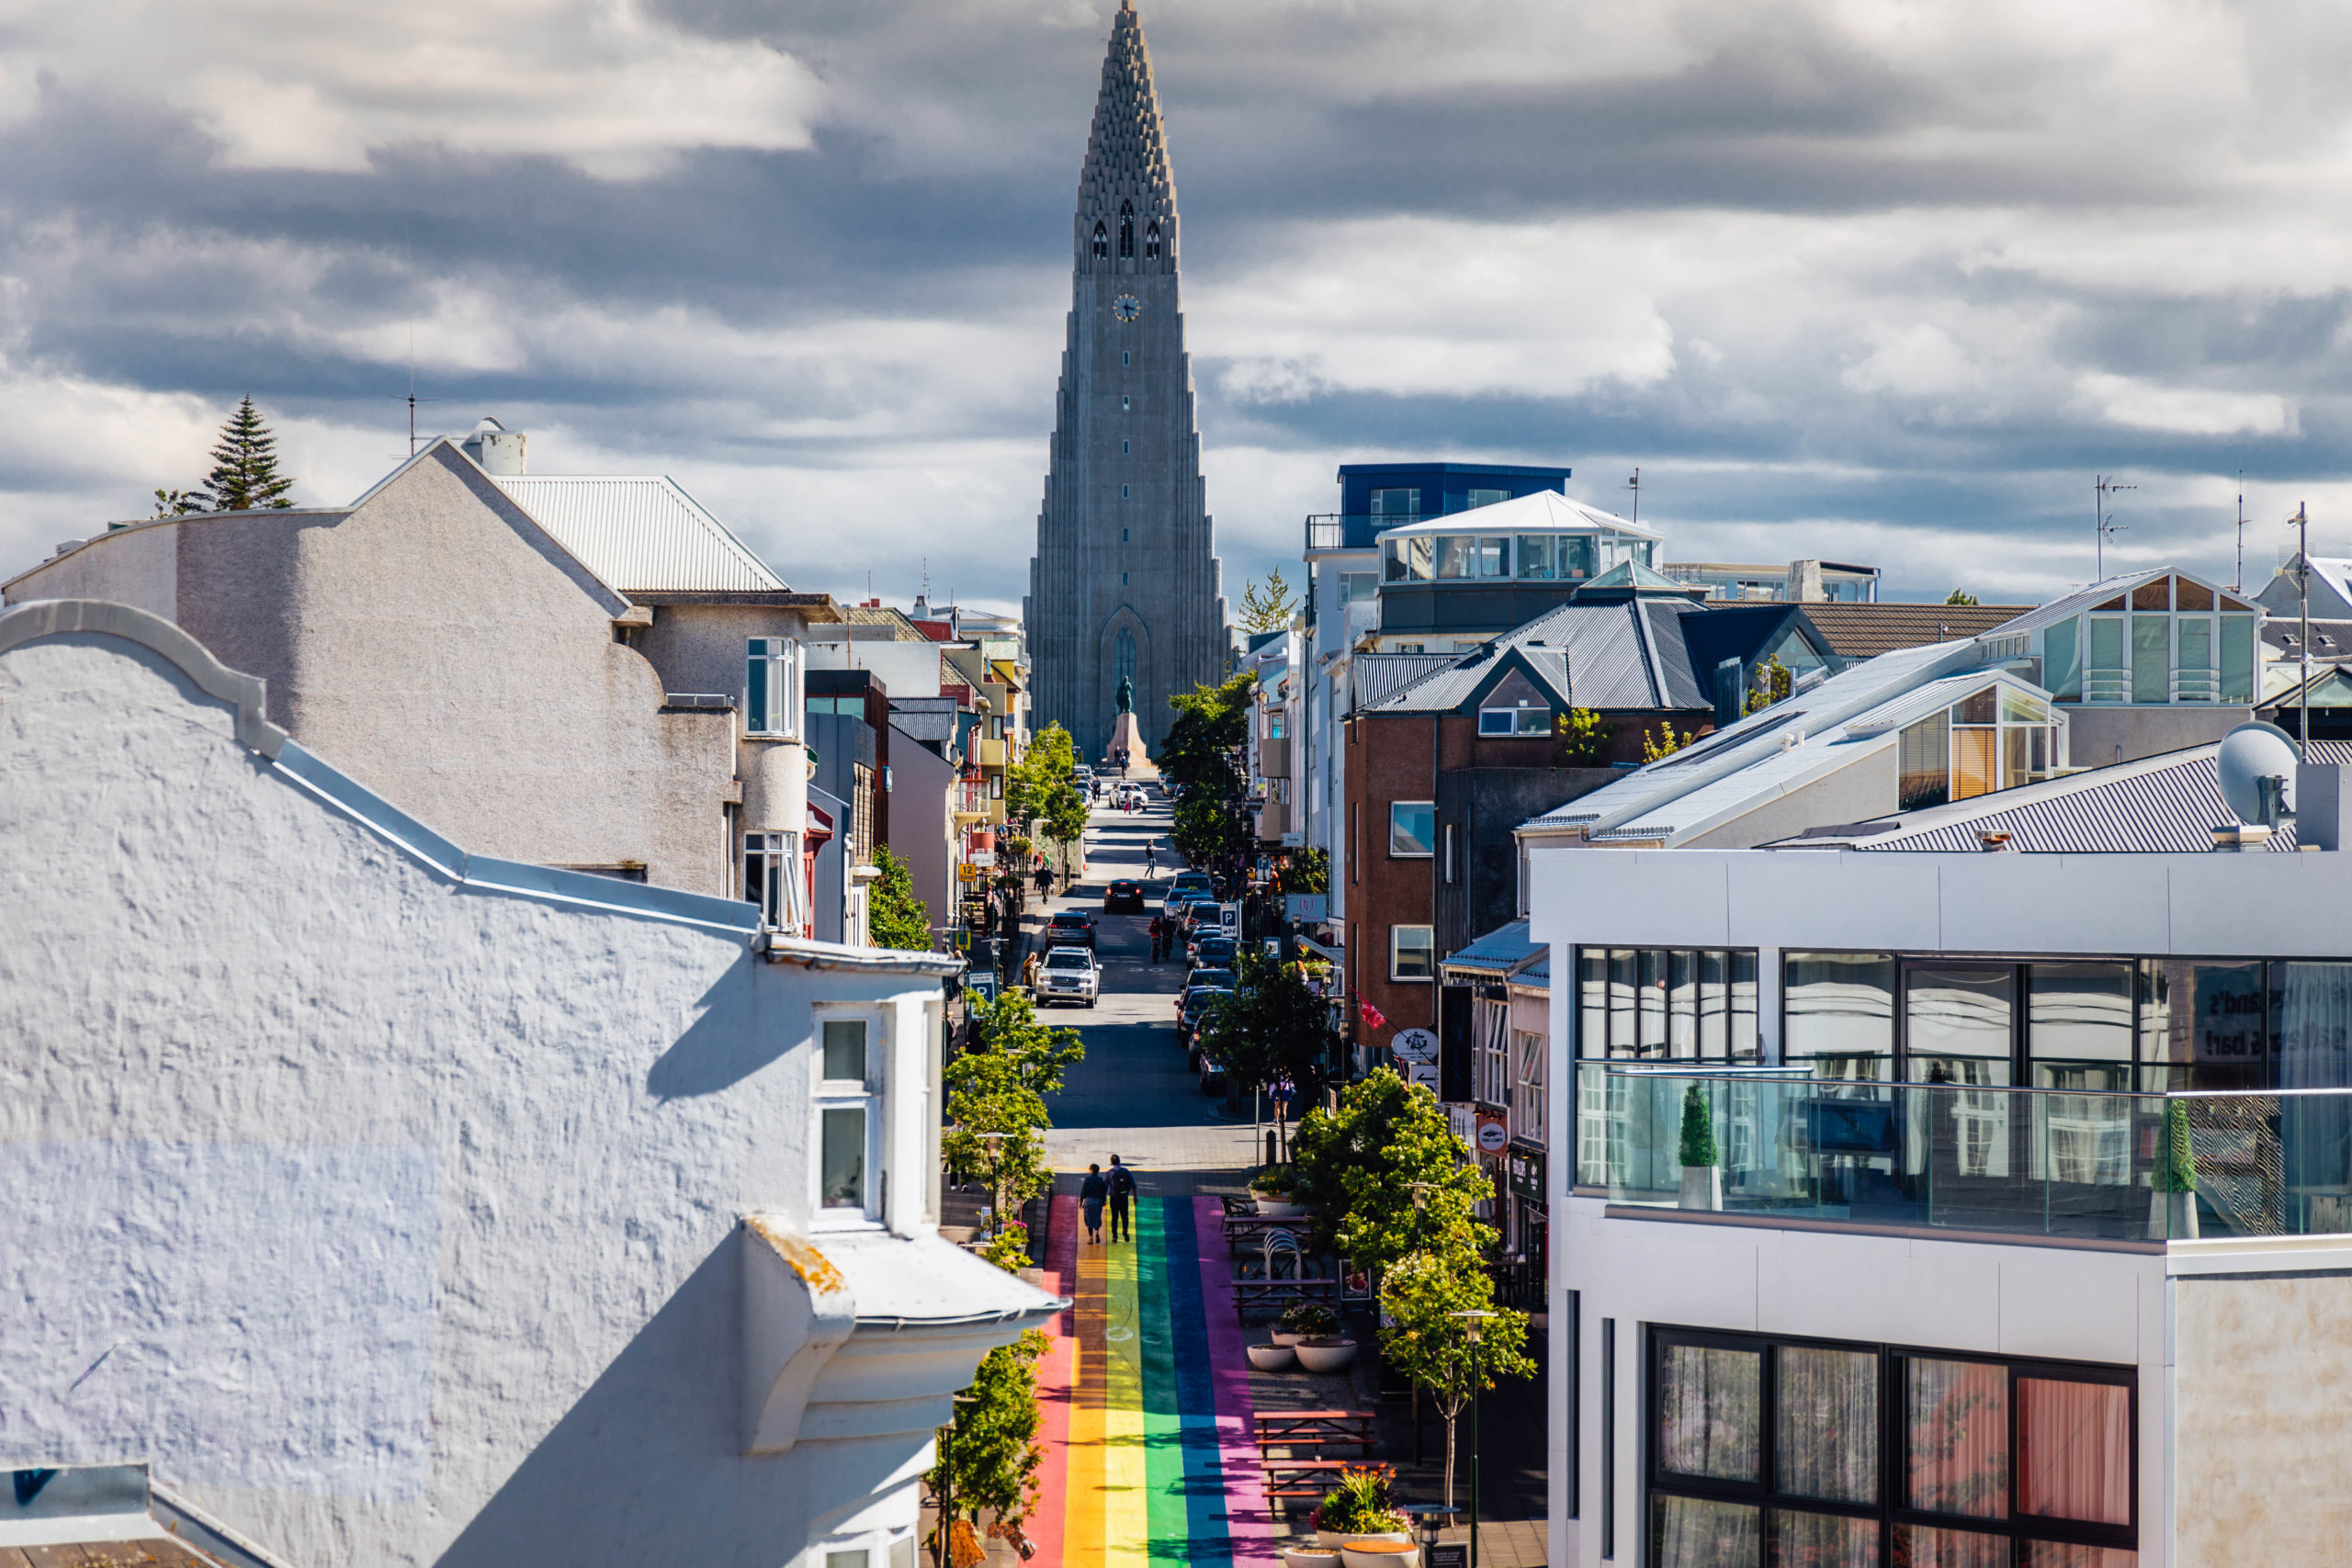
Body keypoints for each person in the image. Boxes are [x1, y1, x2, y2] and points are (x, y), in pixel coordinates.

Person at [1106, 1154, 1136, 1243]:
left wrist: (1103, 1198)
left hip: (1114, 1197)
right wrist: (1135, 1197)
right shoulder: (1125, 1171)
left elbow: (1105, 1186)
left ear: (1111, 1163)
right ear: (1120, 1161)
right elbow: (1133, 1185)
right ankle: (1125, 1231)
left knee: (1114, 1217)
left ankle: (1114, 1236)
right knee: (1124, 1216)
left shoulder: (1109, 1173)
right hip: (1124, 1197)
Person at [1080, 1163, 1108, 1246]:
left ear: (1090, 1170)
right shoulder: (1100, 1180)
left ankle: (1091, 1238)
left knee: (1089, 1219)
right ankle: (1097, 1233)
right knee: (1097, 1217)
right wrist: (1104, 1201)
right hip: (1098, 1201)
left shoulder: (1087, 1179)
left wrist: (1081, 1201)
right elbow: (1103, 1192)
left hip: (1089, 1200)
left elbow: (1083, 1191)